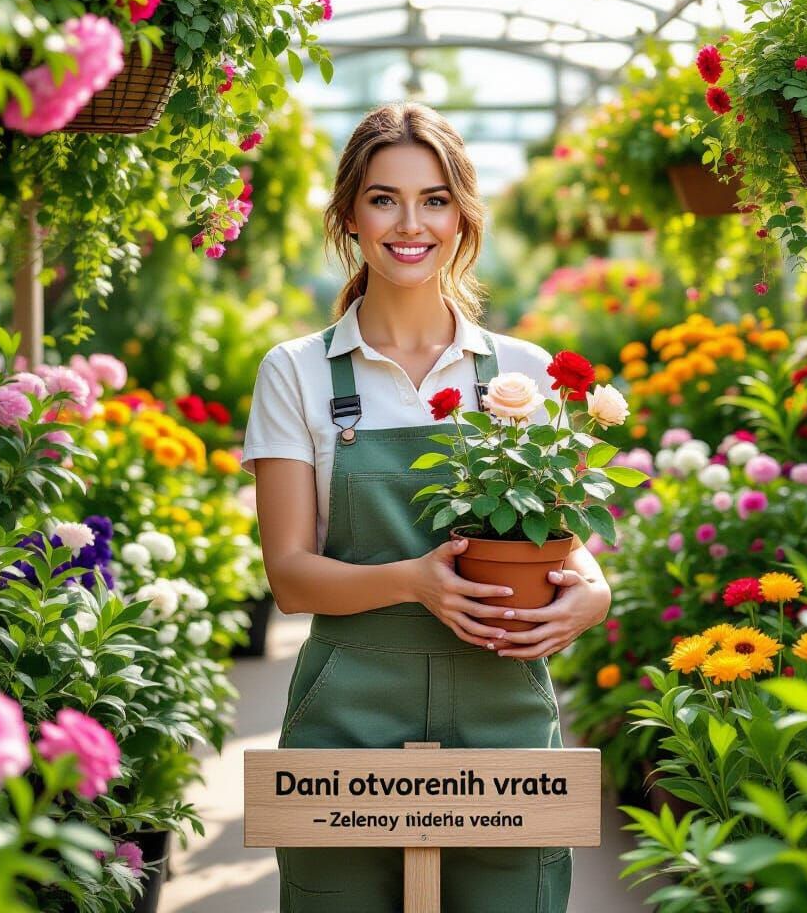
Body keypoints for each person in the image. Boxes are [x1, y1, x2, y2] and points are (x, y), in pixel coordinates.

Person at [243, 102, 612, 913]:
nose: (410, 224)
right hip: (347, 713)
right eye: (384, 198)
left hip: (504, 708)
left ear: (463, 216)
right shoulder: (298, 372)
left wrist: (595, 588)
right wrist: (417, 582)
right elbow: (292, 579)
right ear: (349, 213)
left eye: (435, 199)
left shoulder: (522, 373)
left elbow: (564, 541)